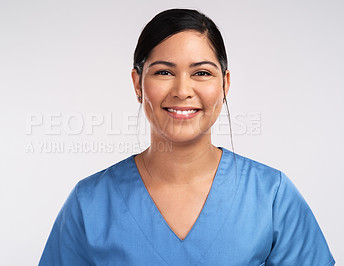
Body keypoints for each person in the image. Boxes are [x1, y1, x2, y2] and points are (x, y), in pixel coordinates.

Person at [39, 8, 335, 265]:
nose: (182, 90)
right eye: (164, 73)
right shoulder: (90, 203)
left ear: (225, 84)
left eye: (202, 73)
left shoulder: (271, 196)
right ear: (138, 84)